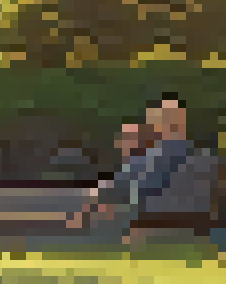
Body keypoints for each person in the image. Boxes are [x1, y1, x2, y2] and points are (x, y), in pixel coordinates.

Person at [69, 96, 217, 245]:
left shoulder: (165, 154)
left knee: (103, 201)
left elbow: (137, 186)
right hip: (175, 220)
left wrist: (104, 199)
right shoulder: (185, 154)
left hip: (156, 220)